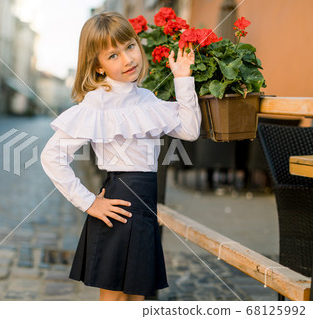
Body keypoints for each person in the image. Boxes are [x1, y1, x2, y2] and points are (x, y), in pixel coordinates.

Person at [40, 11, 200, 301]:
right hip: (119, 203)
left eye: (129, 47)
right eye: (112, 56)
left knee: (138, 298)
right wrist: (88, 202)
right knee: (114, 300)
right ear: (98, 67)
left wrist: (183, 80)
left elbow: (189, 130)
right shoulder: (97, 104)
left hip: (146, 205)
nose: (127, 60)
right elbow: (52, 157)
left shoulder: (147, 99)